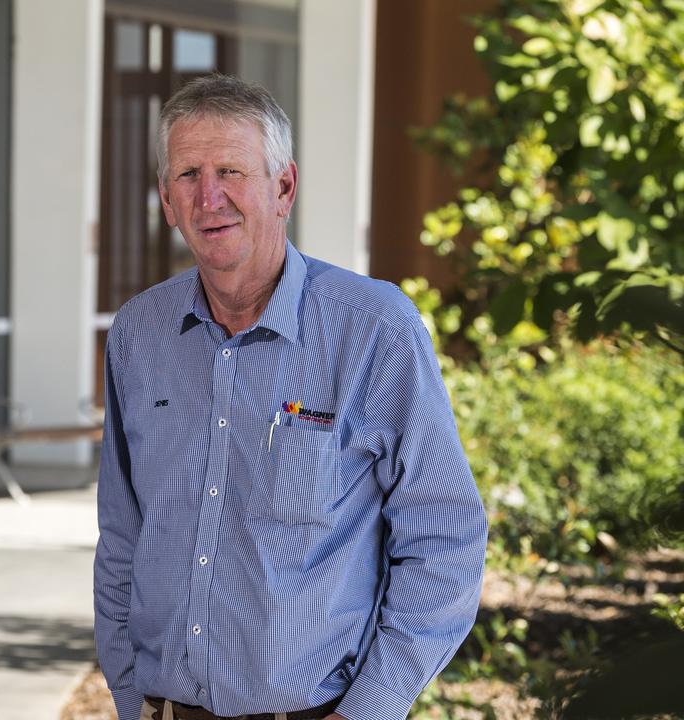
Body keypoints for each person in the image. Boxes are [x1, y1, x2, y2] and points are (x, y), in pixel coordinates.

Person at [93, 75, 487, 720]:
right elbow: (122, 536)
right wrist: (130, 693)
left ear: (284, 188)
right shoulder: (139, 334)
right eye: (187, 175)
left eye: (231, 171)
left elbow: (444, 537)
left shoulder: (374, 328)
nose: (209, 196)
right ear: (166, 199)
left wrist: (374, 706)